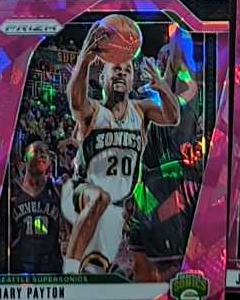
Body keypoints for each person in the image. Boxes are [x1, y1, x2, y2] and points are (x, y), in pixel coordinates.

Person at [61, 28, 180, 273]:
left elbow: (172, 117)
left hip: (121, 204)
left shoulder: (141, 110)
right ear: (102, 78)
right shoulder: (93, 110)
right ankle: (69, 272)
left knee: (110, 267)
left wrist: (160, 85)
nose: (122, 73)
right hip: (83, 191)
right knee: (99, 198)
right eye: (116, 69)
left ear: (133, 80)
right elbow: (75, 102)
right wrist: (84, 61)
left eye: (127, 70)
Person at [8, 143, 64, 274]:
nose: (42, 154)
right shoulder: (12, 190)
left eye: (45, 152)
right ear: (24, 159)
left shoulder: (57, 189)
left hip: (50, 264)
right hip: (20, 263)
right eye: (37, 151)